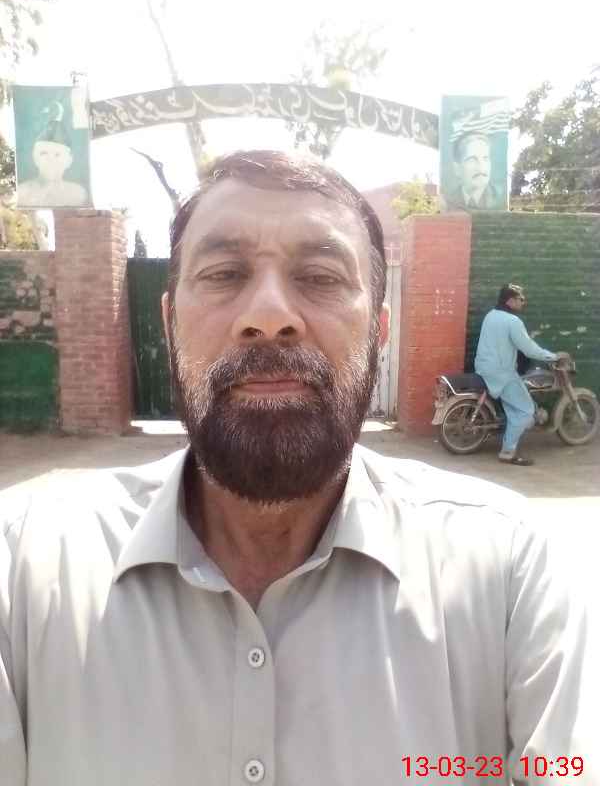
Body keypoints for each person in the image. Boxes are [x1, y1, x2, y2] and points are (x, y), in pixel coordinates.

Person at [0, 152, 593, 785]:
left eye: (320, 276)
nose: (269, 315)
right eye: (224, 274)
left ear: (380, 331)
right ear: (170, 325)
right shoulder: (23, 569)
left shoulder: (510, 572)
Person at [475, 283, 563, 465]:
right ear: (510, 301)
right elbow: (529, 349)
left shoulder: (491, 315)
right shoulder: (513, 321)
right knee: (525, 411)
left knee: (515, 407)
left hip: (484, 367)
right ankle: (508, 452)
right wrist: (553, 357)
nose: (524, 302)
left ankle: (510, 436)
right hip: (502, 372)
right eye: (521, 299)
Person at [17, 101, 89, 209]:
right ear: (34, 157)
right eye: (44, 153)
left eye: (57, 155)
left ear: (69, 161)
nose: (50, 159)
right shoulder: (22, 192)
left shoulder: (78, 194)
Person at [443, 131, 504, 211]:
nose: (481, 166)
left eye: (485, 158)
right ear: (457, 168)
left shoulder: (501, 198)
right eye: (472, 159)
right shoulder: (447, 202)